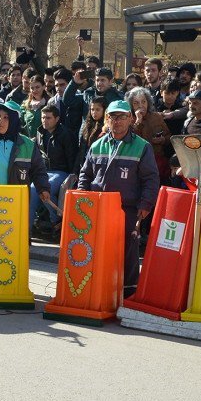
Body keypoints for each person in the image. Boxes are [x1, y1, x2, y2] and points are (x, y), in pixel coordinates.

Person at [78, 100, 160, 293]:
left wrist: (146, 204)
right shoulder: (97, 145)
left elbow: (151, 178)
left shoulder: (142, 147)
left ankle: (129, 290)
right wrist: (82, 194)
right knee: (97, 249)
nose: (118, 121)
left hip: (128, 208)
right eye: (113, 117)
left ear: (130, 119)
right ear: (107, 119)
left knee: (128, 250)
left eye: (122, 117)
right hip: (97, 207)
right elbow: (85, 174)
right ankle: (99, 287)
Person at [31, 104, 77, 237]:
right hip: (45, 172)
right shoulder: (40, 132)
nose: (45, 120)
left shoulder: (66, 134)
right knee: (33, 191)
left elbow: (72, 157)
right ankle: (28, 226)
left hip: (62, 172)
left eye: (48, 118)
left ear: (57, 119)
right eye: (43, 117)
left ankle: (56, 220)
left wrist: (73, 176)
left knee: (44, 189)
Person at [126, 86, 170, 182]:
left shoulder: (156, 117)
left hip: (158, 163)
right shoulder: (128, 120)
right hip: (137, 164)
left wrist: (163, 140)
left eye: (143, 101)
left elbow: (168, 136)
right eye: (136, 103)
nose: (141, 106)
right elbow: (130, 139)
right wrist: (138, 121)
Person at [76, 99, 106, 172]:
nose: (94, 112)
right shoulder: (87, 125)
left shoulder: (105, 128)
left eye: (97, 109)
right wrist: (75, 171)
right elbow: (81, 150)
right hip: (84, 165)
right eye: (92, 109)